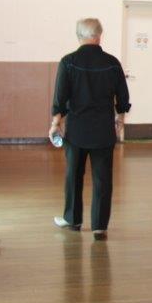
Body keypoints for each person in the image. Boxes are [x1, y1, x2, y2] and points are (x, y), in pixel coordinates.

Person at [50, 18, 130, 240]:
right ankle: (99, 226)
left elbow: (60, 97)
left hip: (77, 130)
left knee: (73, 176)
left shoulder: (68, 62)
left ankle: (73, 220)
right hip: (103, 130)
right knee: (102, 179)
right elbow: (123, 96)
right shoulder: (112, 63)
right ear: (99, 36)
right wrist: (120, 118)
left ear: (79, 36)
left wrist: (55, 123)